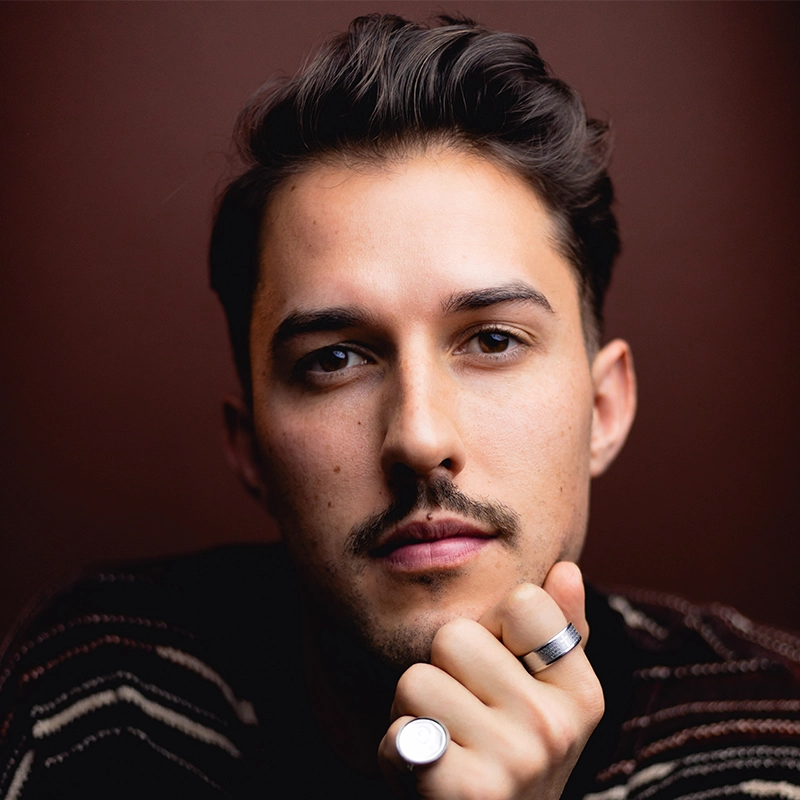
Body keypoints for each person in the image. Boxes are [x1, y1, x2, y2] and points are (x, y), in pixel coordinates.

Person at [0, 13, 798, 800]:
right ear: (251, 450)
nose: (419, 437)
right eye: (335, 359)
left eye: (491, 341)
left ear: (605, 406)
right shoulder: (105, 700)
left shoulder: (771, 744)